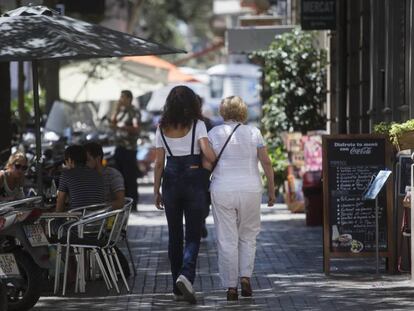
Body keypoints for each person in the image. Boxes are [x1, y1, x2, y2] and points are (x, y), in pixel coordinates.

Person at [207, 96, 275, 301]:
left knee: (227, 239)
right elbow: (266, 162)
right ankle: (245, 276)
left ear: (222, 112)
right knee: (248, 235)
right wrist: (271, 190)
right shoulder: (254, 132)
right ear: (243, 112)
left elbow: (206, 163)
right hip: (251, 190)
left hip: (222, 189)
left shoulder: (214, 133)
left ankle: (230, 287)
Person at [153, 85, 216, 303]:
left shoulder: (161, 127)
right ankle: (186, 275)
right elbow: (207, 152)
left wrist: (156, 191)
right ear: (192, 104)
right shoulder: (198, 125)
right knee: (193, 233)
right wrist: (215, 156)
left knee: (174, 236)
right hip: (194, 178)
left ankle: (177, 288)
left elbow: (159, 163)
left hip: (170, 181)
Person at [111, 90, 140, 209]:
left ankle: (133, 203)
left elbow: (136, 128)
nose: (120, 99)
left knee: (130, 177)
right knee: (119, 176)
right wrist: (117, 109)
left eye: (122, 97)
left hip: (129, 148)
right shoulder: (120, 111)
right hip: (119, 147)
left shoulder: (134, 112)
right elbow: (112, 122)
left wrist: (124, 127)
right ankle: (122, 202)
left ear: (129, 98)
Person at [56, 145, 105, 212]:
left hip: (78, 220)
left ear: (70, 160)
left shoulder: (66, 174)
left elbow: (60, 204)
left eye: (65, 162)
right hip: (99, 219)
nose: (66, 165)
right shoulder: (98, 174)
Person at [84, 142, 125, 210]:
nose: (85, 164)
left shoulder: (112, 174)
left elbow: (120, 202)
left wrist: (98, 210)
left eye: (88, 160)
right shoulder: (84, 176)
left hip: (108, 217)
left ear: (98, 158)